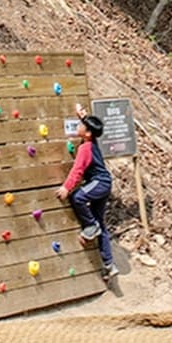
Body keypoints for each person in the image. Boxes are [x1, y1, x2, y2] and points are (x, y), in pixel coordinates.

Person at [55, 104, 118, 280]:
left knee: (78, 196)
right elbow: (89, 128)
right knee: (102, 224)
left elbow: (78, 170)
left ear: (88, 133)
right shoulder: (91, 141)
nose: (78, 127)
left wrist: (66, 187)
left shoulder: (85, 148)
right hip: (104, 184)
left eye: (81, 126)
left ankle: (91, 226)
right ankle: (109, 265)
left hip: (99, 182)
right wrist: (82, 115)